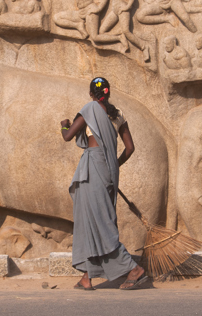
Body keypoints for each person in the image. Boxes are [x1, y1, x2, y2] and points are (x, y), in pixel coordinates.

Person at [60, 77, 147, 290]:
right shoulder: (117, 115)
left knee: (98, 222)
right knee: (93, 219)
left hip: (92, 168)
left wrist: (64, 126)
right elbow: (129, 148)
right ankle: (87, 277)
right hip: (108, 171)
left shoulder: (90, 108)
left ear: (92, 94)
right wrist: (113, 164)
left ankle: (132, 268)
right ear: (107, 93)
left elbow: (68, 137)